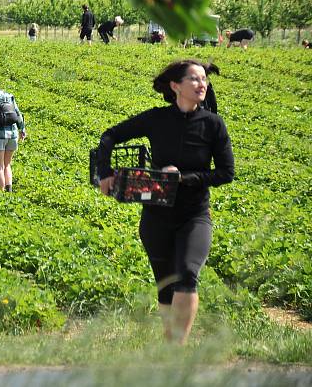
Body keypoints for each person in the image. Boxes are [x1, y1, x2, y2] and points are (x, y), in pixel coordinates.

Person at [95, 59, 234, 345]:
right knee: (166, 285)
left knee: (186, 277)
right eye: (194, 79)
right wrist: (105, 173)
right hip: (156, 214)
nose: (202, 84)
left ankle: (176, 351)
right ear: (175, 86)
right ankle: (169, 347)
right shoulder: (157, 119)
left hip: (194, 214)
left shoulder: (213, 125)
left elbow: (226, 173)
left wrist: (183, 178)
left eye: (203, 79)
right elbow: (109, 136)